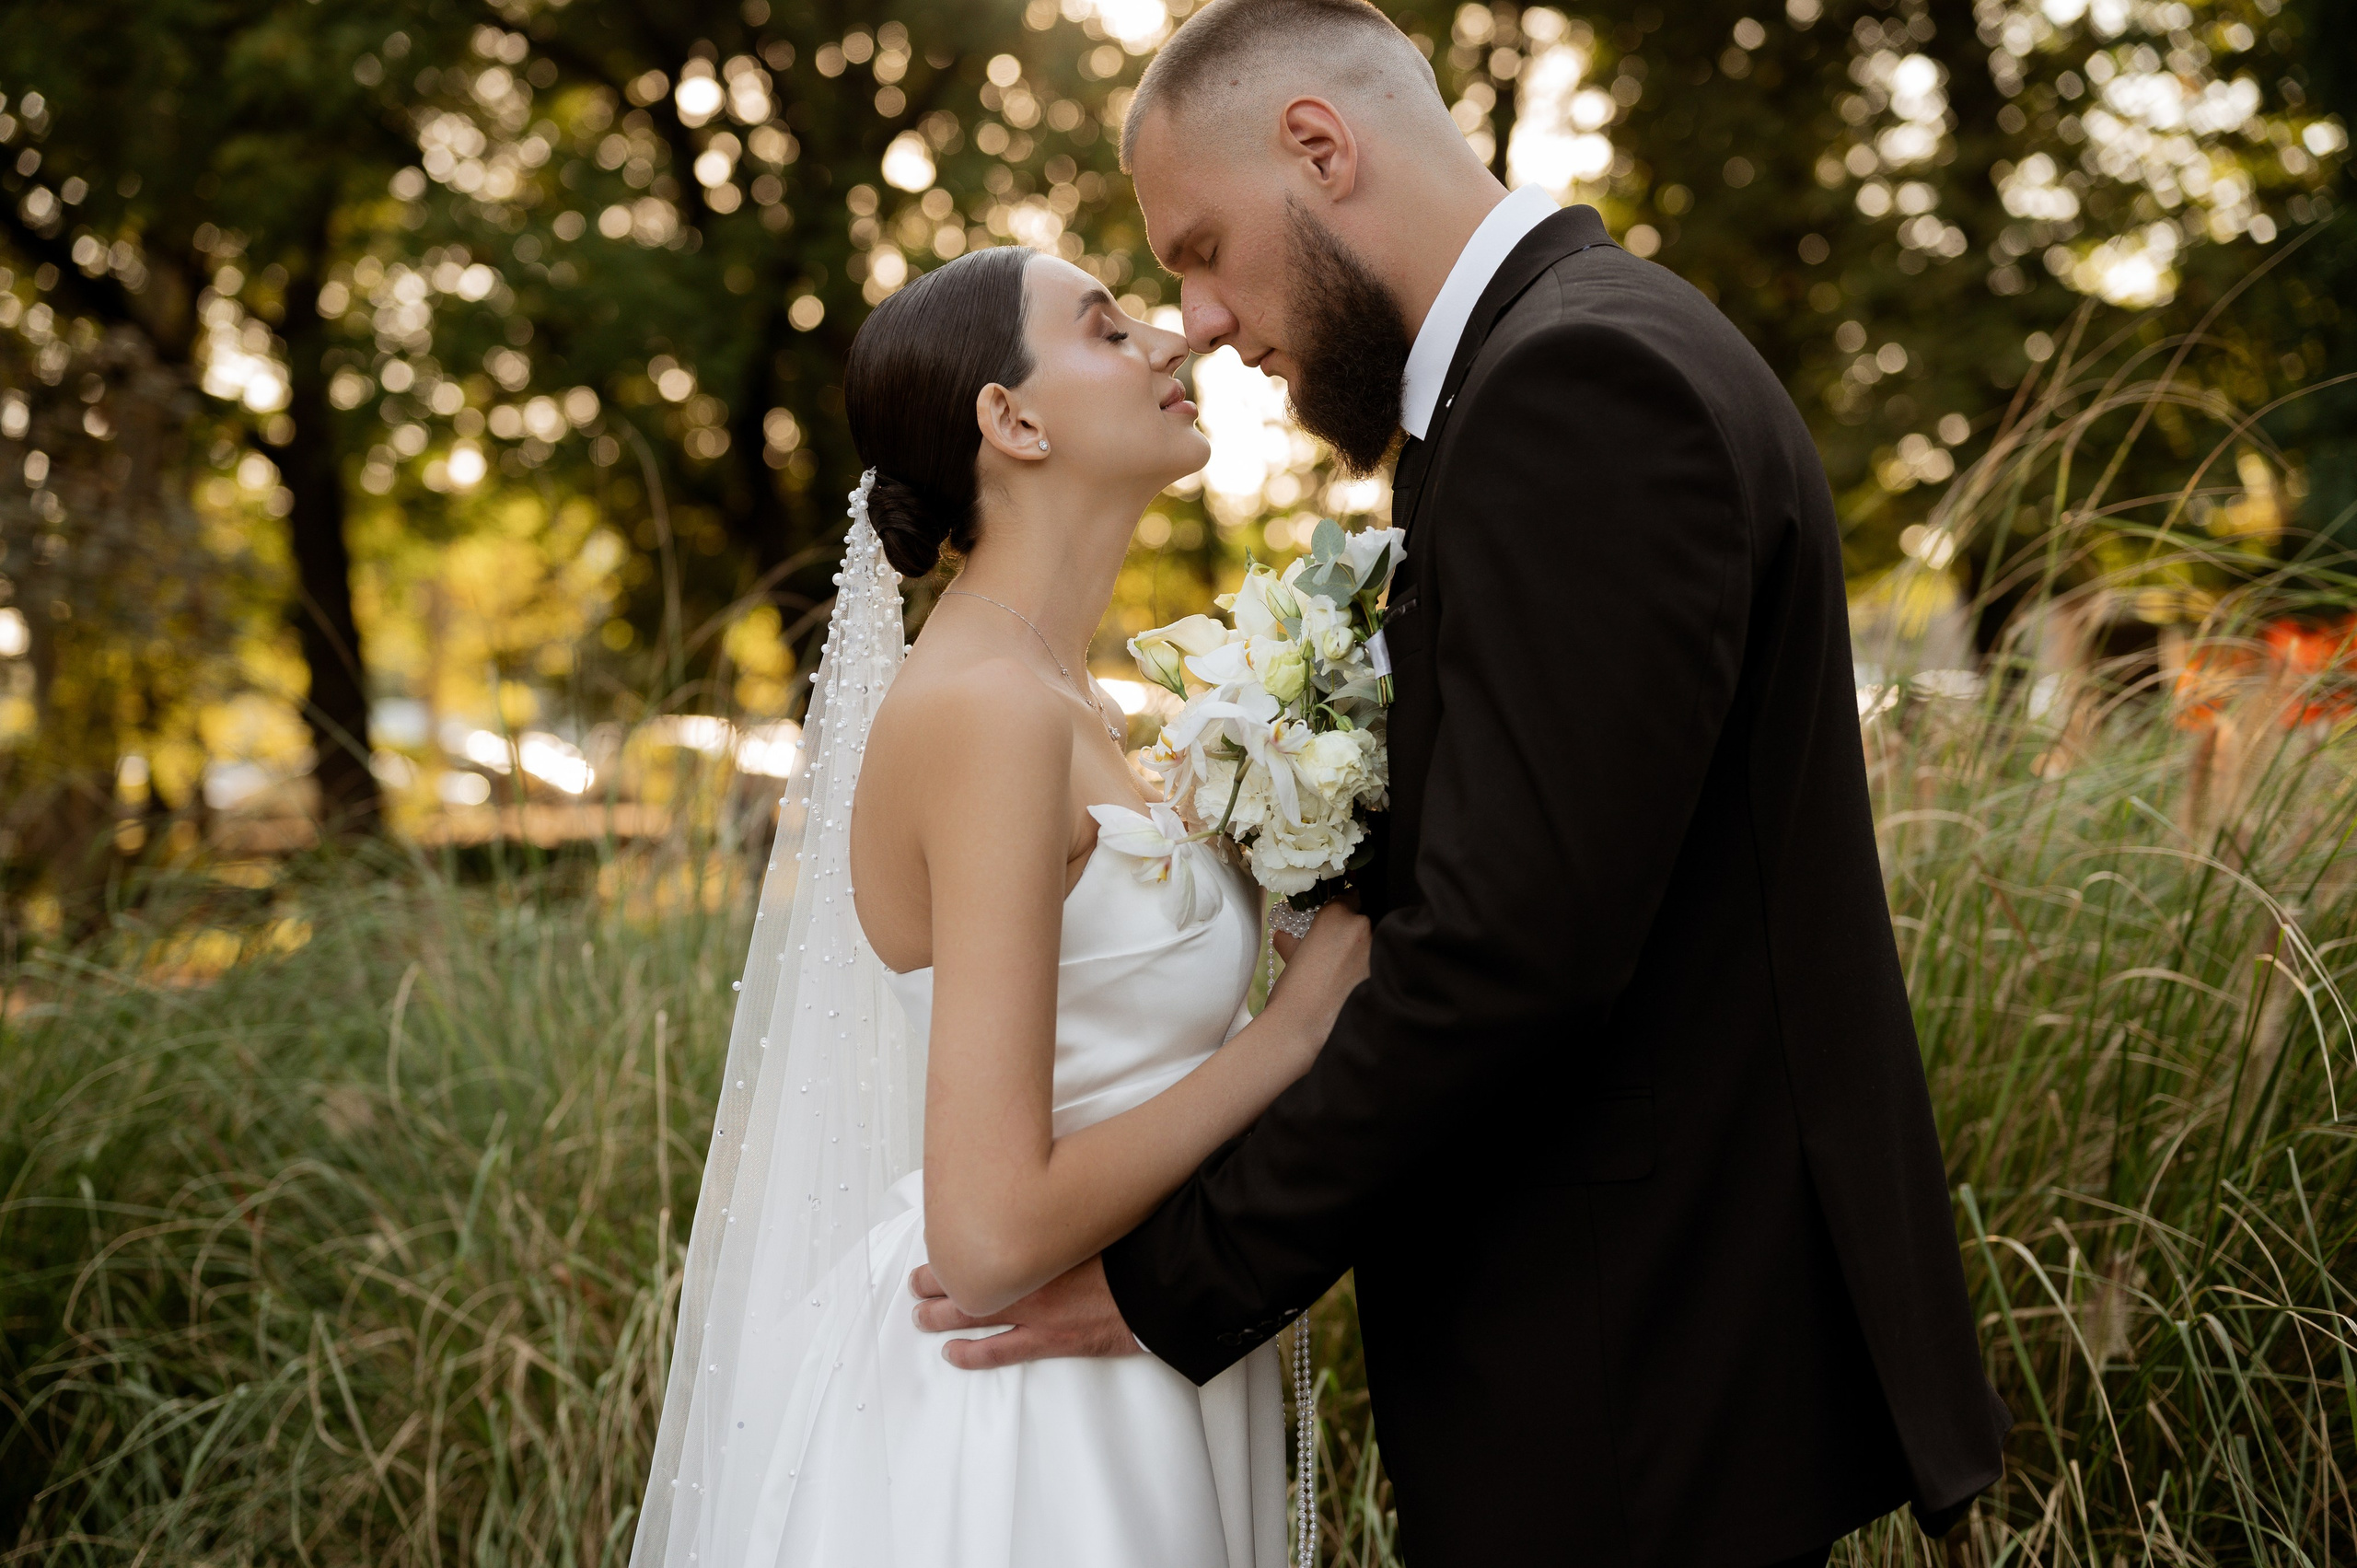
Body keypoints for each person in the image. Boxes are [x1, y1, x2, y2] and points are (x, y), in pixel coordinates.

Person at [907, 2, 2014, 1564]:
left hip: (1630, 1371)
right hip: (1632, 1359)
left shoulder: (1580, 393)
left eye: (1207, 249)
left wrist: (1181, 1277)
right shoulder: (1566, 362)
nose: (1204, 320)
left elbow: (1509, 952)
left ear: (1319, 146)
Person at [627, 244, 1371, 1568]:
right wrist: (1292, 1034)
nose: (1165, 342)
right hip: (1033, 1412)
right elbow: (985, 1235)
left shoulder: (1065, 698)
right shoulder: (985, 712)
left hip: (1126, 1341)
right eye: (1105, 328)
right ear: (1011, 419)